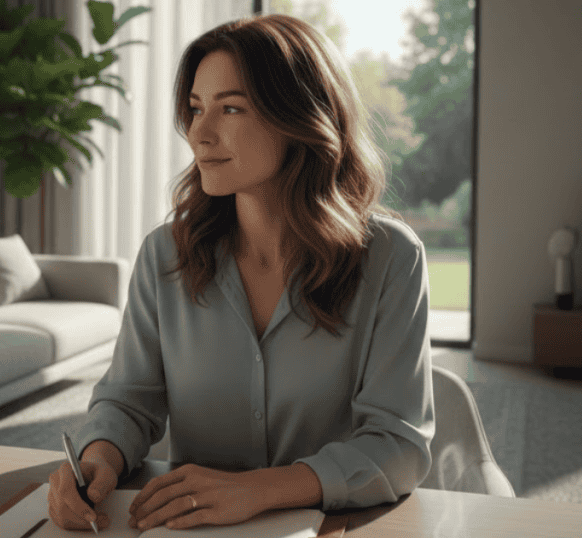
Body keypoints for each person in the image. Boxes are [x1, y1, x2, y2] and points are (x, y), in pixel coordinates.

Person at [48, 13, 434, 532]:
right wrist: (99, 457)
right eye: (195, 108)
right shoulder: (164, 255)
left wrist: (257, 491)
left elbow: (398, 446)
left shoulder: (390, 258)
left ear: (300, 117)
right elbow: (128, 400)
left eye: (230, 108)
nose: (200, 133)